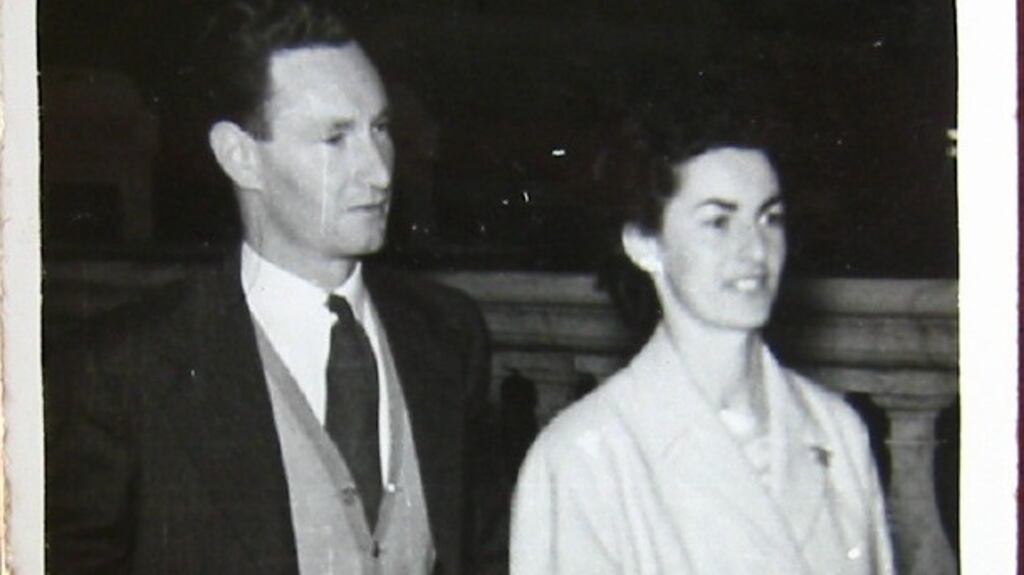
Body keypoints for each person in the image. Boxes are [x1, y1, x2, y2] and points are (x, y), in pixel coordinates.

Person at [44, 1, 493, 573]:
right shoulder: (119, 372)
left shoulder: (449, 334)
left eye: (379, 129)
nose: (379, 171)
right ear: (241, 157)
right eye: (335, 139)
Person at [509, 113, 895, 574]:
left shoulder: (837, 431)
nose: (755, 250)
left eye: (770, 218)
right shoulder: (583, 458)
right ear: (644, 244)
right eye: (718, 222)